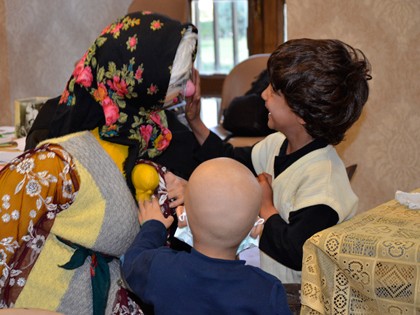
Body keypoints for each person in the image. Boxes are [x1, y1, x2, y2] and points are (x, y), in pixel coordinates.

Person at [0, 11, 198, 313]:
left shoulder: (153, 136)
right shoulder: (56, 162)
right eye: (177, 76)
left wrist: (191, 195)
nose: (185, 89)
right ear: (139, 76)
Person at [184, 38, 372, 283]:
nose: (263, 94)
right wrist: (196, 122)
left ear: (303, 113)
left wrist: (266, 206)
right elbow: (229, 161)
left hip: (295, 300)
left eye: (274, 91)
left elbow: (295, 251)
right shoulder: (276, 144)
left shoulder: (323, 180)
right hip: (265, 285)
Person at [122, 157, 292, 315]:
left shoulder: (161, 267)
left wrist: (154, 225)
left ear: (182, 217)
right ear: (256, 229)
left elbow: (130, 262)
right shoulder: (267, 290)